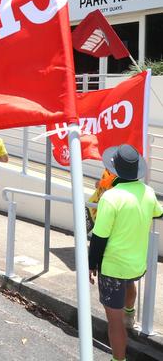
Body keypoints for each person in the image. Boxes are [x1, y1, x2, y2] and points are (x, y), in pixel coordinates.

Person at [89, 145, 163, 361]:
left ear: (115, 170)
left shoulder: (111, 198)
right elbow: (158, 212)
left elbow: (99, 237)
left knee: (114, 323)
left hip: (113, 266)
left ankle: (118, 359)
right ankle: (130, 315)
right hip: (136, 263)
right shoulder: (148, 192)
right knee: (129, 284)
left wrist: (91, 264)